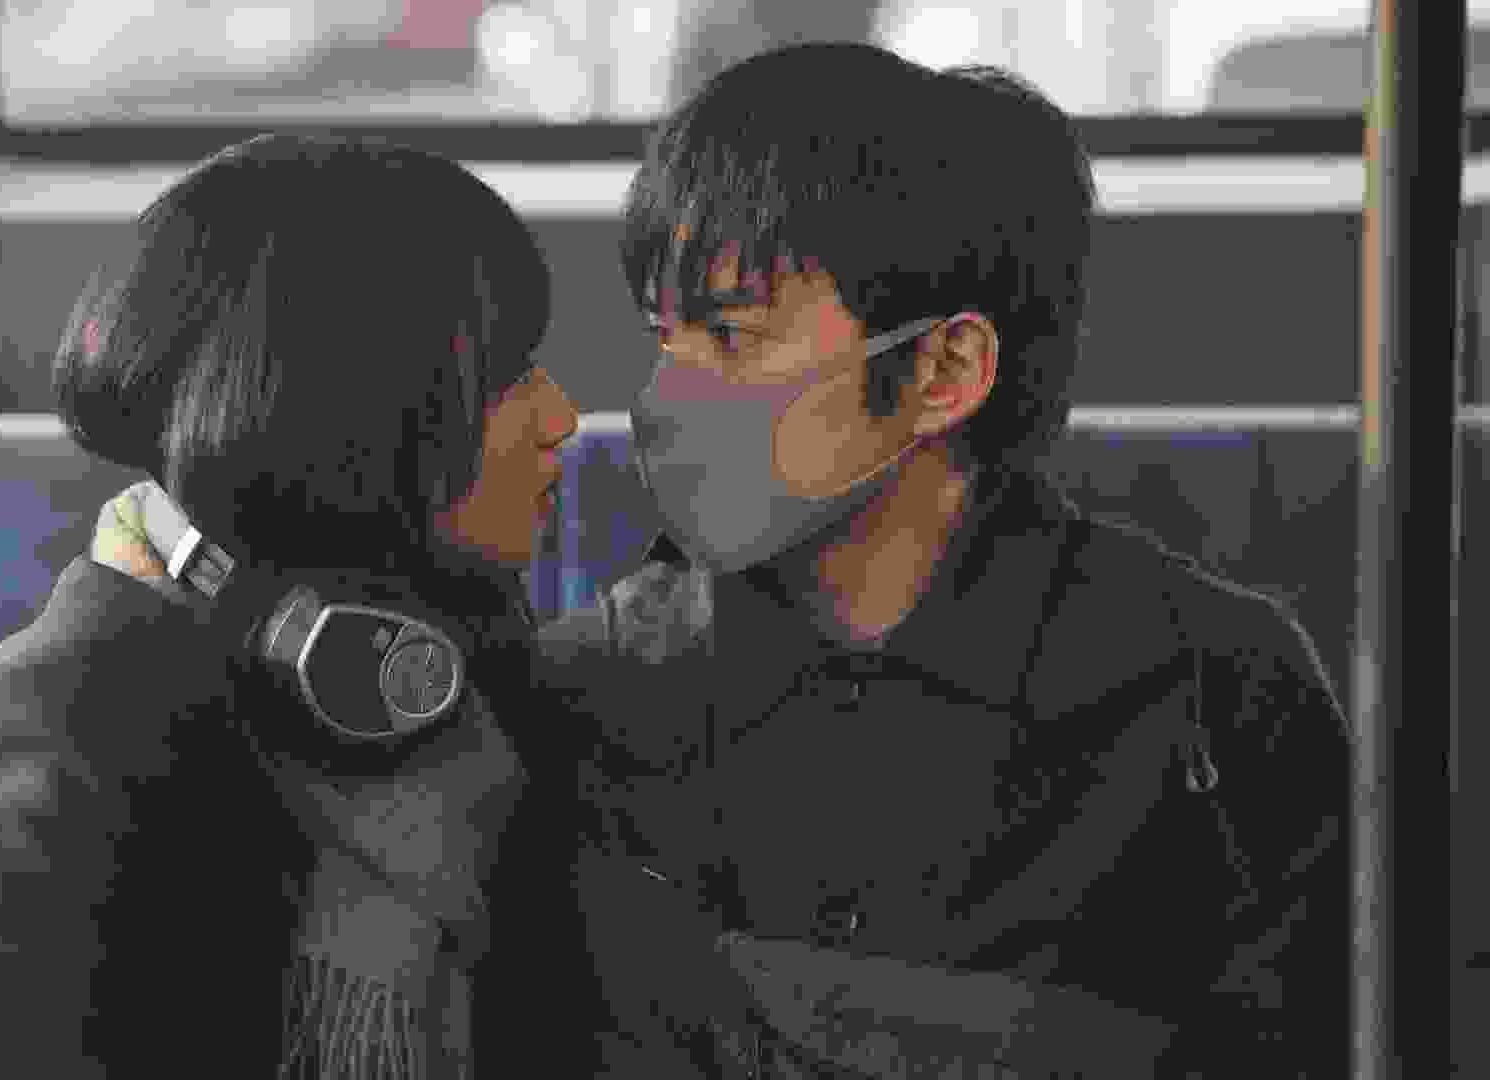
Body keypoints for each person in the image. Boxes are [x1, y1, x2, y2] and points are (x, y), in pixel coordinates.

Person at [536, 42, 1352, 1077]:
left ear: (944, 369)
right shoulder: (591, 697)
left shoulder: (1218, 697)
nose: (669, 395)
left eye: (731, 339)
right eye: (667, 338)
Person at [0, 132, 579, 1078]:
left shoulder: (454, 666)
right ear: (363, 415)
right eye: (508, 381)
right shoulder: (73, 721)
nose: (560, 415)